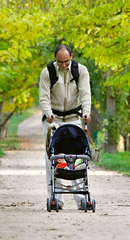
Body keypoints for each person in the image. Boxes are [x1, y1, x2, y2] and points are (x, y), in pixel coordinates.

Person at [39, 44, 91, 210]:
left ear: (72, 56)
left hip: (73, 117)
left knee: (76, 157)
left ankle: (81, 197)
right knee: (52, 157)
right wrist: (48, 113)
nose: (63, 65)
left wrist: (86, 113)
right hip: (52, 120)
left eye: (66, 61)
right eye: (60, 62)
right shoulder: (47, 72)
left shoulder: (80, 70)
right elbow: (44, 96)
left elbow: (85, 93)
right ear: (55, 59)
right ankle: (55, 198)